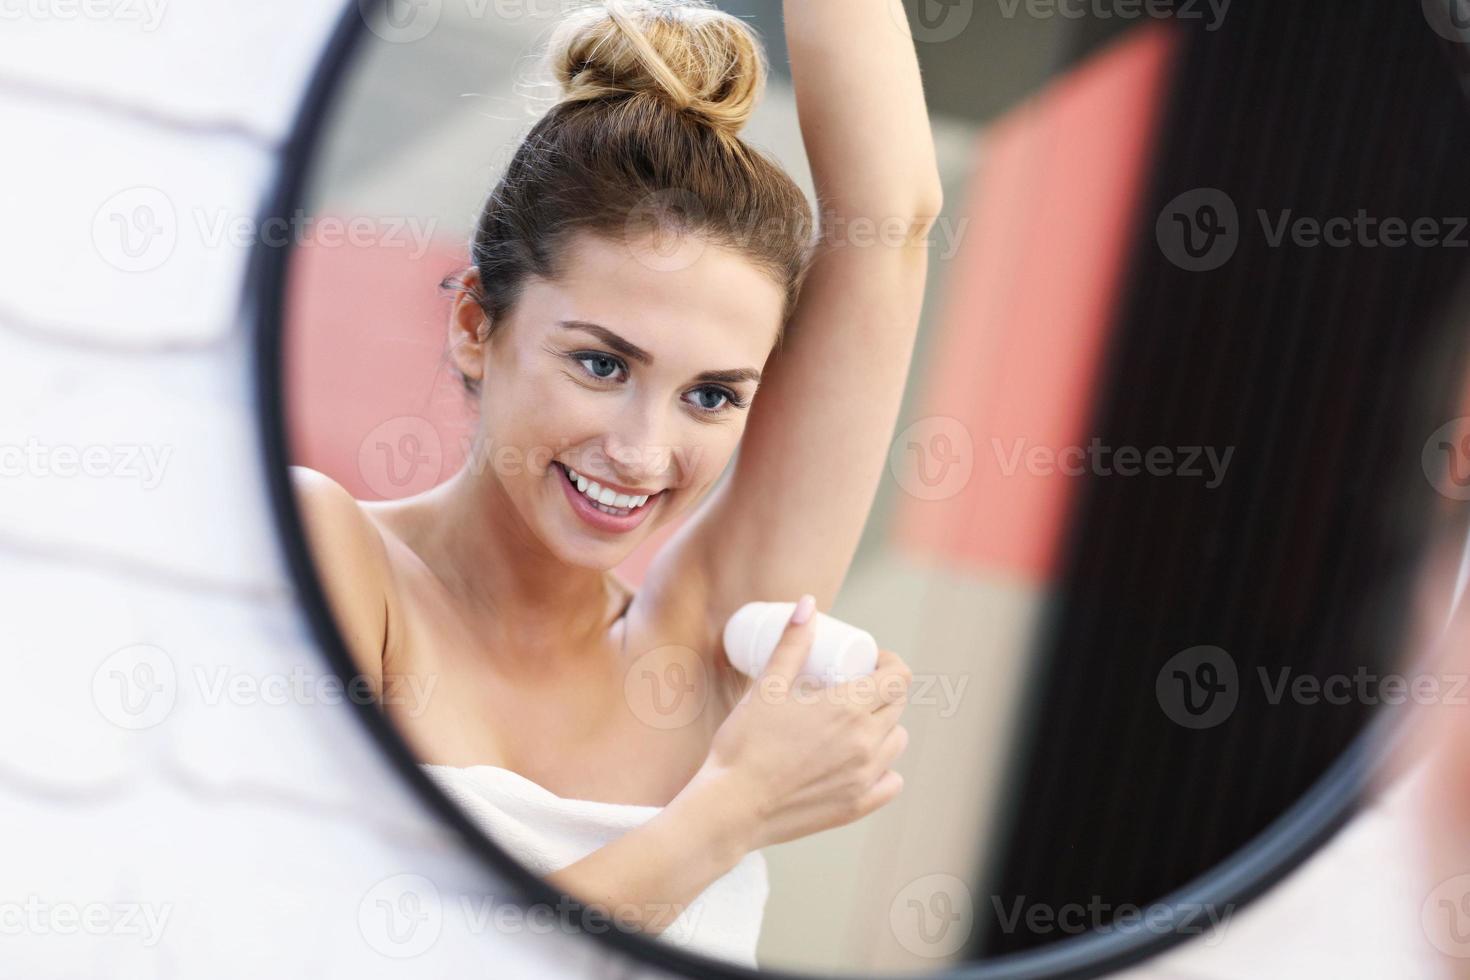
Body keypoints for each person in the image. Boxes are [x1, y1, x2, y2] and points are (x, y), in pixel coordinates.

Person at [292, 0, 941, 961]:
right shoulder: (341, 558)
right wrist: (733, 810)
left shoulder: (708, 642)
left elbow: (894, 222)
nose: (642, 453)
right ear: (477, 326)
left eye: (712, 396)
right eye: (602, 365)